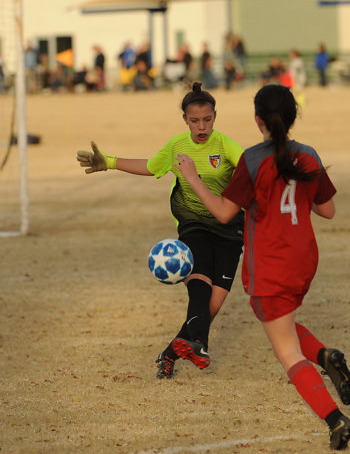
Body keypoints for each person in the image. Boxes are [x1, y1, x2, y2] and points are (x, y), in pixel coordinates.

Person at [176, 84, 350, 450]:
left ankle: (334, 419)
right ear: (292, 117)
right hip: (303, 260)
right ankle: (325, 356)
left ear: (258, 119)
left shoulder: (253, 159)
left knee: (286, 351)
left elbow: (224, 212)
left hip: (271, 264)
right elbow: (328, 210)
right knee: (283, 325)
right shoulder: (308, 155)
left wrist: (193, 178)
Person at [76, 82, 245, 380]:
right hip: (193, 224)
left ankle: (168, 355)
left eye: (207, 119)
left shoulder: (226, 146)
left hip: (229, 229)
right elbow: (151, 166)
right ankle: (200, 345)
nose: (201, 126)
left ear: (215, 117)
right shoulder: (177, 146)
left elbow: (252, 172)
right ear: (185, 119)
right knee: (199, 286)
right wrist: (110, 162)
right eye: (195, 120)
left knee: (211, 308)